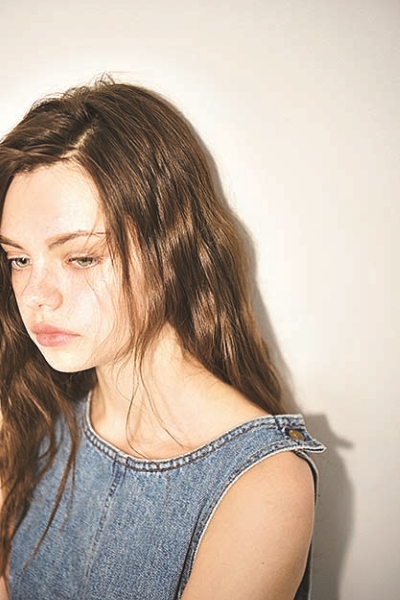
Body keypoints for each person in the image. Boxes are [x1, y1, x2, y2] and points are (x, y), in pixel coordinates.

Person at [0, 78, 325, 600]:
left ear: (171, 248)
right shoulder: (30, 416)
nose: (37, 296)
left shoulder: (261, 485)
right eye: (19, 258)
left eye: (81, 257)